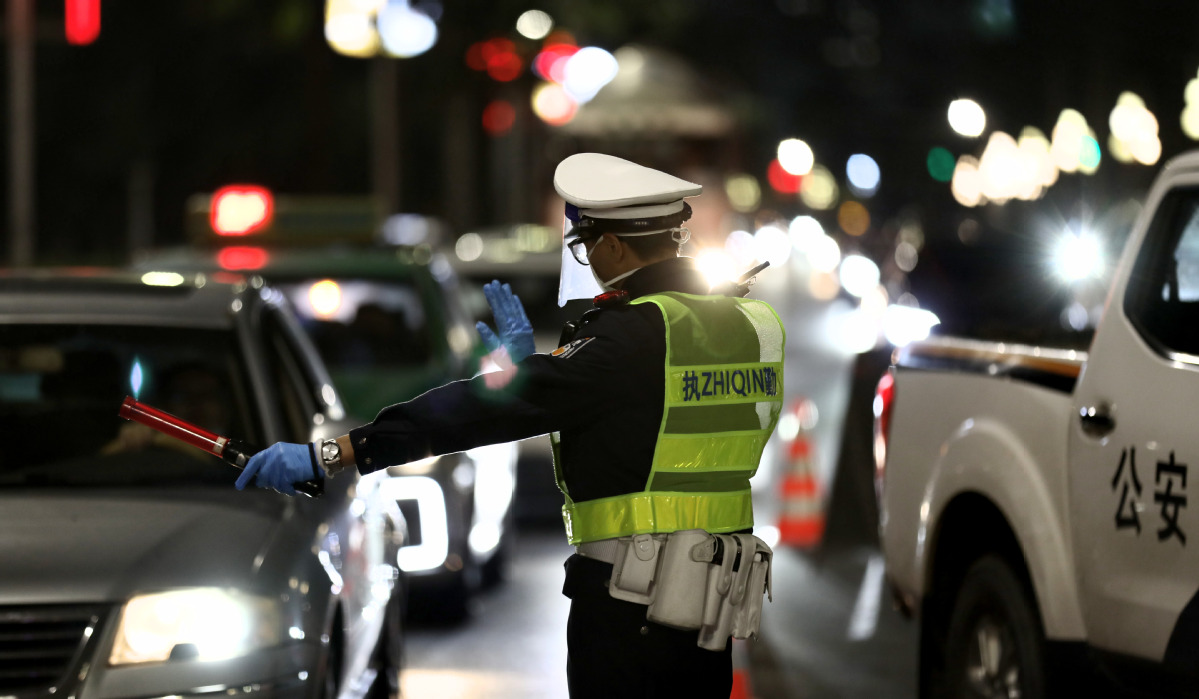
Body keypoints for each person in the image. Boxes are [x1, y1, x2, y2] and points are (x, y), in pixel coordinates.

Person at [236, 152, 786, 698]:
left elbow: (483, 413)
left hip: (632, 603)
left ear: (614, 245)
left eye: (585, 245)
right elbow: (650, 424)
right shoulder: (746, 325)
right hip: (710, 604)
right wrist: (540, 375)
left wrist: (334, 454)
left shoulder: (636, 335)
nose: (587, 259)